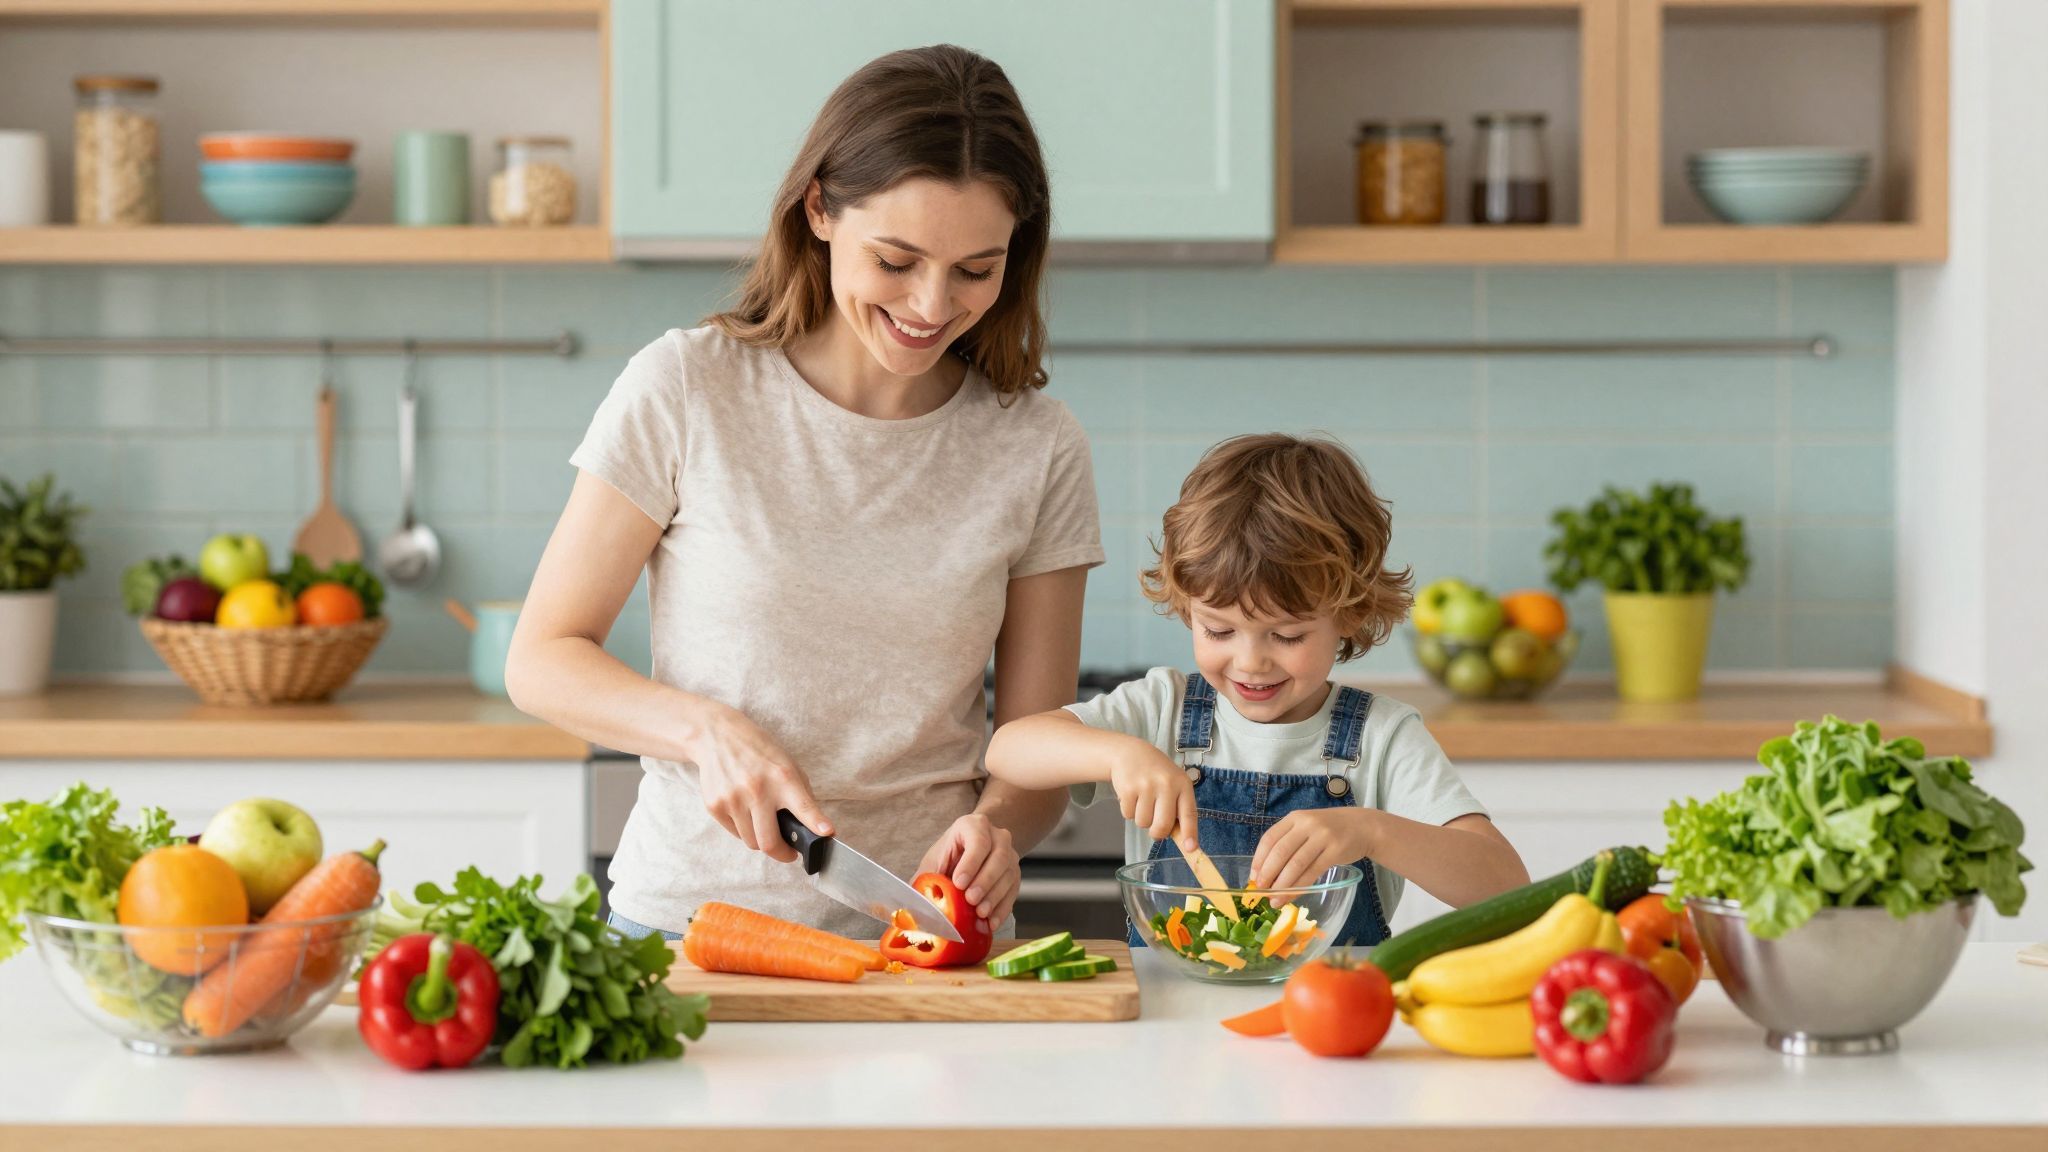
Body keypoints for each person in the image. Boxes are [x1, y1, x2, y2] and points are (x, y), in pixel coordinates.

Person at [506, 44, 1102, 941]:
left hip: (924, 948)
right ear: (819, 208)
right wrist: (703, 731)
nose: (932, 305)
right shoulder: (686, 387)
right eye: (896, 260)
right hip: (688, 934)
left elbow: (1034, 753)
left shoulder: (1036, 445)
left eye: (976, 270)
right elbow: (543, 658)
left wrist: (1000, 827)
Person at [986, 433, 1527, 947]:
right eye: (1218, 630)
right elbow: (1008, 748)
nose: (1251, 662)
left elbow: (1508, 887)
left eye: (1287, 635)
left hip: (1328, 1024)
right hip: (1171, 1020)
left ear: (1350, 613)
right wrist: (1120, 753)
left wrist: (1375, 832)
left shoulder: (1383, 737)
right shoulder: (1163, 710)